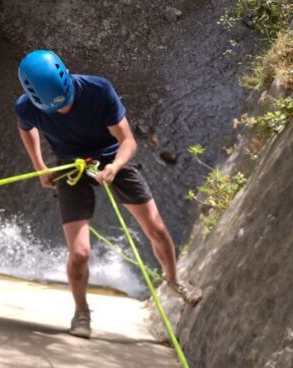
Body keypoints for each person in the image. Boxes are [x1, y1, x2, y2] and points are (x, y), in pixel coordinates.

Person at [14, 50, 202, 338]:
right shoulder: (26, 107)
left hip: (111, 157)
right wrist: (40, 167)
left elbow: (127, 141)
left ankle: (174, 280)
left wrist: (114, 166)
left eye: (65, 103)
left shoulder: (98, 90)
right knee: (79, 253)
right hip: (70, 165)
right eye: (55, 108)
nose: (63, 110)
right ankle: (81, 312)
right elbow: (26, 129)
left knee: (158, 230)